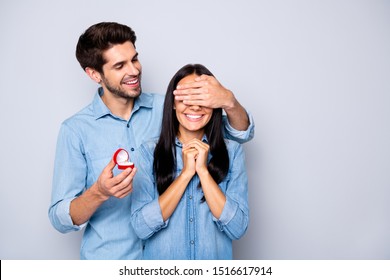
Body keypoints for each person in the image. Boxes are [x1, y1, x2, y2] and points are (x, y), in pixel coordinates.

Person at [48, 22, 254, 260]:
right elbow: (60, 218)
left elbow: (237, 135)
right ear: (95, 74)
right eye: (119, 65)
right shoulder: (75, 130)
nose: (134, 70)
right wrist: (98, 192)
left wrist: (229, 101)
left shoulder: (170, 108)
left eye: (134, 59)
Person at [130, 64, 249, 259]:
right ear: (173, 103)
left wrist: (202, 171)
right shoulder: (149, 152)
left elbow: (237, 228)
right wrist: (185, 174)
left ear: (214, 104)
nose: (194, 106)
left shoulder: (232, 152)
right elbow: (141, 228)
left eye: (201, 98)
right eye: (186, 98)